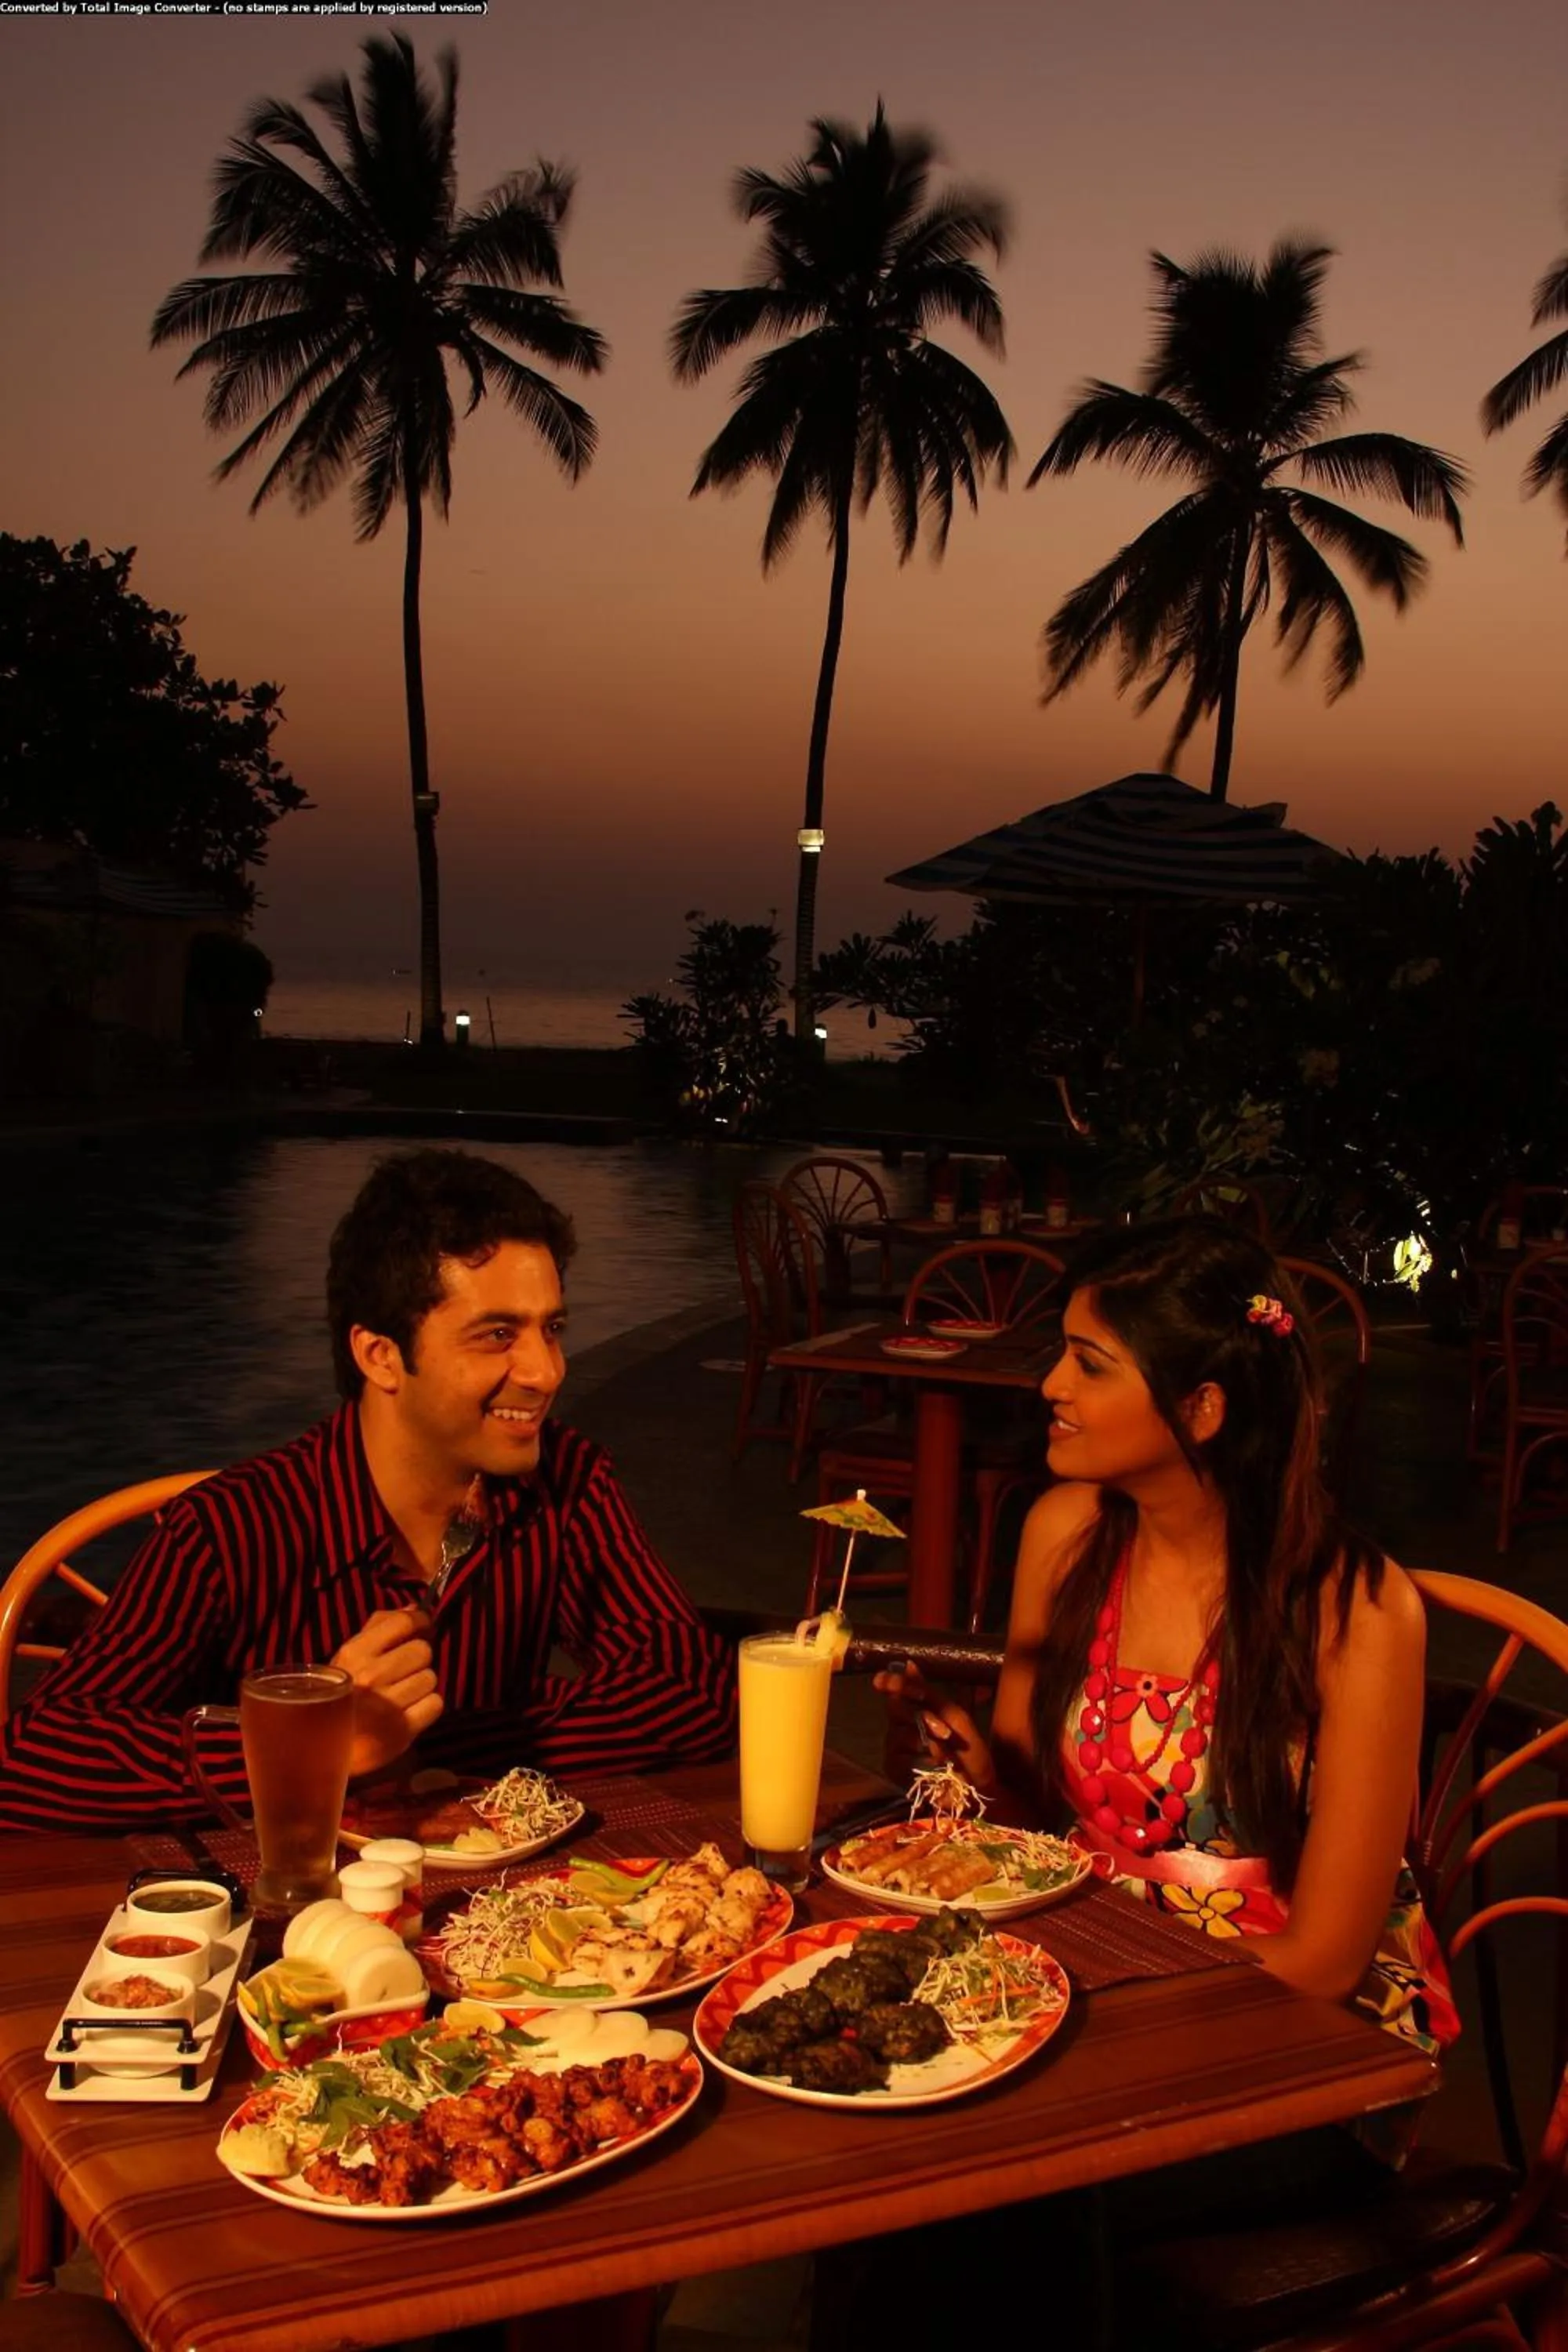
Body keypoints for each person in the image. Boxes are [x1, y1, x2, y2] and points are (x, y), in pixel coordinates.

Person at [0, 1148, 736, 1831]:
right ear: (381, 1356)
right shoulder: (233, 1527)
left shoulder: (565, 1483)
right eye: (497, 1335)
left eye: (554, 1328)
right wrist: (308, 1741)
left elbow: (693, 1691)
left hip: (492, 1918)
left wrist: (429, 1741)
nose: (547, 1371)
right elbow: (33, 1754)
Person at [880, 1214, 1456, 2054]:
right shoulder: (1065, 1534)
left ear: (1200, 1409)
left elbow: (1326, 1960)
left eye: (1088, 1364)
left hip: (1284, 2009)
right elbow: (1027, 1823)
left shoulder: (1353, 1610)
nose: (1050, 1386)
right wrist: (962, 1765)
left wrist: (1089, 2000)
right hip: (1084, 1957)